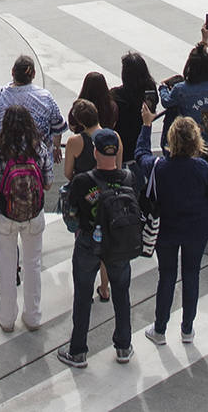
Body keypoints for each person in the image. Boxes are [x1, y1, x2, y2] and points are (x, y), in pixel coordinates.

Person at [57, 128, 142, 368]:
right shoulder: (127, 177)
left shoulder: (83, 181)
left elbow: (71, 216)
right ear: (116, 152)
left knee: (83, 297)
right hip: (118, 244)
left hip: (88, 243)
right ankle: (124, 346)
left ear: (95, 152)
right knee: (121, 293)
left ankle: (78, 351)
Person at [136, 107, 208, 344]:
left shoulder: (159, 167)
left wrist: (146, 125)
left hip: (167, 230)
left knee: (167, 275)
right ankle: (187, 329)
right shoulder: (201, 167)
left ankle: (160, 329)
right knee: (191, 275)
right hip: (196, 230)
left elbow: (140, 153)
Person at [0, 103, 52, 334]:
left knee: (7, 265)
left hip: (6, 214)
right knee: (33, 265)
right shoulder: (39, 147)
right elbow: (49, 182)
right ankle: (32, 316)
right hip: (34, 213)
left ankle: (6, 318)